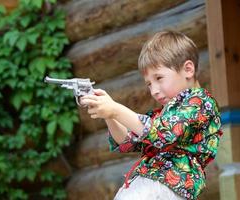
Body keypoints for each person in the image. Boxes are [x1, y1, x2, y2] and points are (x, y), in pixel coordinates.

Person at [80, 30, 222, 200]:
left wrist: (116, 109)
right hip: (152, 186)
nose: (154, 91)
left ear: (188, 69)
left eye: (159, 78)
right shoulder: (165, 115)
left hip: (167, 187)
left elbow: (162, 132)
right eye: (149, 84)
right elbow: (127, 142)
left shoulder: (199, 101)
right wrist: (109, 115)